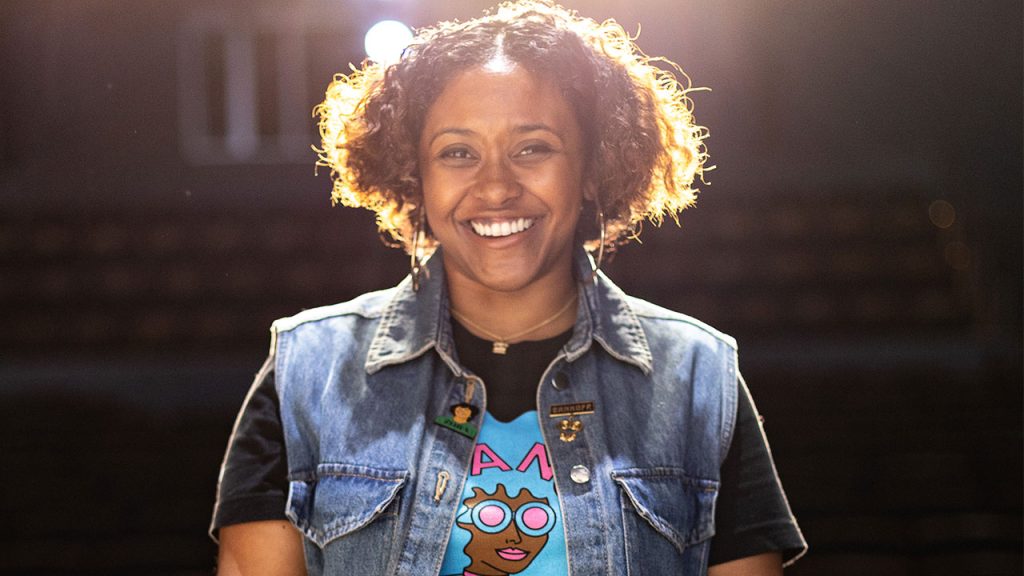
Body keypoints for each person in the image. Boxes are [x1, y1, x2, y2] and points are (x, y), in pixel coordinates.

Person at [210, 1, 806, 574]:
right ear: (414, 177)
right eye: (458, 152)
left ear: (594, 167)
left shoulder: (698, 377)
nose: (494, 187)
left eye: (532, 148)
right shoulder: (308, 374)